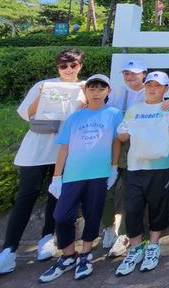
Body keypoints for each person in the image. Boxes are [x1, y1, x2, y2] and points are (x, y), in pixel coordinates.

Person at [0, 49, 85, 275]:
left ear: (80, 66)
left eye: (73, 65)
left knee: (56, 195)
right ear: (57, 67)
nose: (68, 70)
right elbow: (25, 113)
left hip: (64, 150)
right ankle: (9, 250)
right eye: (63, 66)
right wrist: (41, 95)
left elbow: (86, 114)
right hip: (36, 147)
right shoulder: (44, 85)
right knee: (26, 195)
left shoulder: (84, 87)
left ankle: (47, 238)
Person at [38, 74, 122, 282]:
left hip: (100, 173)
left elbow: (116, 142)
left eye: (101, 89)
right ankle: (68, 255)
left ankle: (85, 254)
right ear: (85, 92)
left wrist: (113, 167)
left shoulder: (114, 114)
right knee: (62, 215)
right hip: (73, 174)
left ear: (108, 92)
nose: (96, 93)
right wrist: (57, 176)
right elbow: (64, 148)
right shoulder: (74, 118)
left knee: (93, 214)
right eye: (92, 89)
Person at [114, 71, 169, 276]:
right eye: (149, 84)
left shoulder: (168, 108)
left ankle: (153, 245)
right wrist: (123, 130)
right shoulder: (134, 109)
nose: (152, 88)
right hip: (135, 166)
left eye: (158, 85)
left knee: (158, 205)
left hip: (160, 166)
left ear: (165, 89)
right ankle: (135, 248)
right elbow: (123, 137)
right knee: (133, 207)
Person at [102, 59, 148, 258]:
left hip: (139, 147)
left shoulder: (151, 91)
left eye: (134, 73)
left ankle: (125, 235)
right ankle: (108, 227)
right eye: (126, 73)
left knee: (132, 192)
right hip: (114, 145)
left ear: (144, 74)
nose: (130, 77)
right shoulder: (117, 93)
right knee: (108, 190)